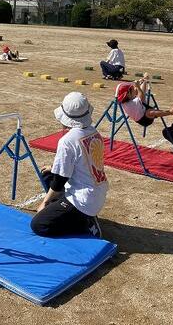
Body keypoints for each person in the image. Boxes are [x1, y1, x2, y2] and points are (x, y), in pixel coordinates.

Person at [30, 92, 108, 238]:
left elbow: (60, 180)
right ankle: (79, 215)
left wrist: (45, 203)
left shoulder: (68, 140)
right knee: (48, 175)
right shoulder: (94, 132)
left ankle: (84, 222)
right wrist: (53, 168)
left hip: (83, 199)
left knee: (39, 225)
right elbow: (81, 164)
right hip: (97, 192)